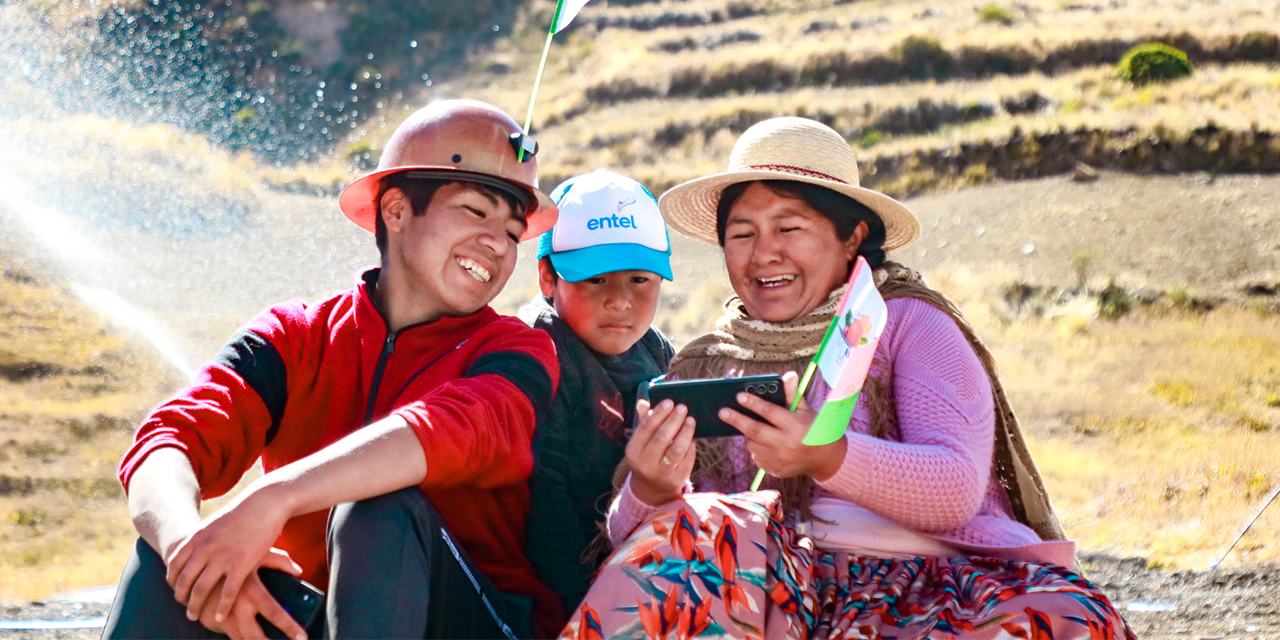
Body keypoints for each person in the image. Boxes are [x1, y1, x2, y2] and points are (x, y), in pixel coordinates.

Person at [559, 117, 1135, 639]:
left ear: (852, 236)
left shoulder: (908, 323)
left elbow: (958, 487)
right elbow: (648, 549)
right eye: (742, 234)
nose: (764, 255)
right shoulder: (704, 363)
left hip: (934, 592)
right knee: (700, 524)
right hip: (775, 601)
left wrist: (826, 453)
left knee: (1058, 620)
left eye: (790, 228)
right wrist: (650, 492)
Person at [102, 99, 568, 639]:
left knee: (379, 509)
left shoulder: (519, 351)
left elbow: (443, 432)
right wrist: (188, 549)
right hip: (324, 621)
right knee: (172, 560)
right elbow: (169, 439)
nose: (497, 244)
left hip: (473, 624)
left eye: (513, 233)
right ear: (395, 211)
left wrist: (274, 497)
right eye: (475, 211)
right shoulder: (295, 333)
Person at [518, 169, 675, 614]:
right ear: (548, 278)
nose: (620, 300)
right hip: (560, 594)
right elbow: (543, 508)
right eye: (596, 279)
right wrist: (585, 612)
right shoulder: (540, 351)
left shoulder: (656, 349)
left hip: (638, 560)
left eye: (639, 280)